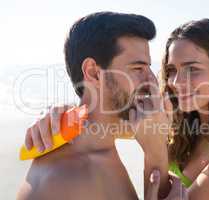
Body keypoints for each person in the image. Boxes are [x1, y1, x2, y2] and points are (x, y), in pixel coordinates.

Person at [22, 18, 209, 199]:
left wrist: (155, 154)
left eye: (193, 69)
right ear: (94, 72)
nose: (173, 82)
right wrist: (61, 115)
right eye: (171, 70)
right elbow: (101, 123)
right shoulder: (175, 123)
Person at [17, 12, 173, 200]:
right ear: (94, 73)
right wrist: (155, 154)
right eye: (138, 69)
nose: (152, 80)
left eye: (149, 68)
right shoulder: (66, 179)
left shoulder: (103, 142)